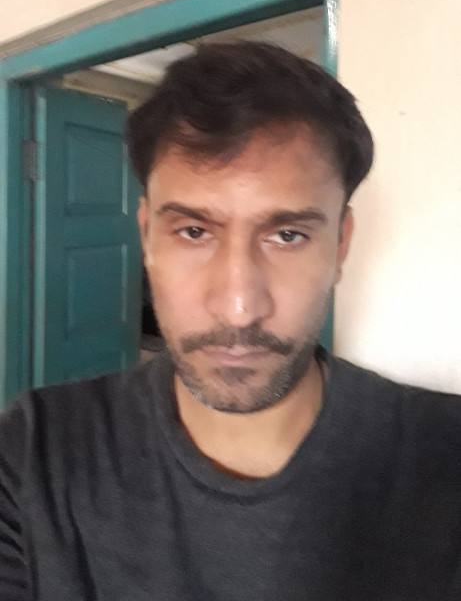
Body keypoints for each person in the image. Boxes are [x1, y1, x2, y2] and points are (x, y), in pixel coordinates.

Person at [0, 41, 460, 601]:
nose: (239, 307)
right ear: (147, 237)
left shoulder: (445, 457)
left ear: (340, 247)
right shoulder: (32, 455)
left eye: (287, 235)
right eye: (194, 231)